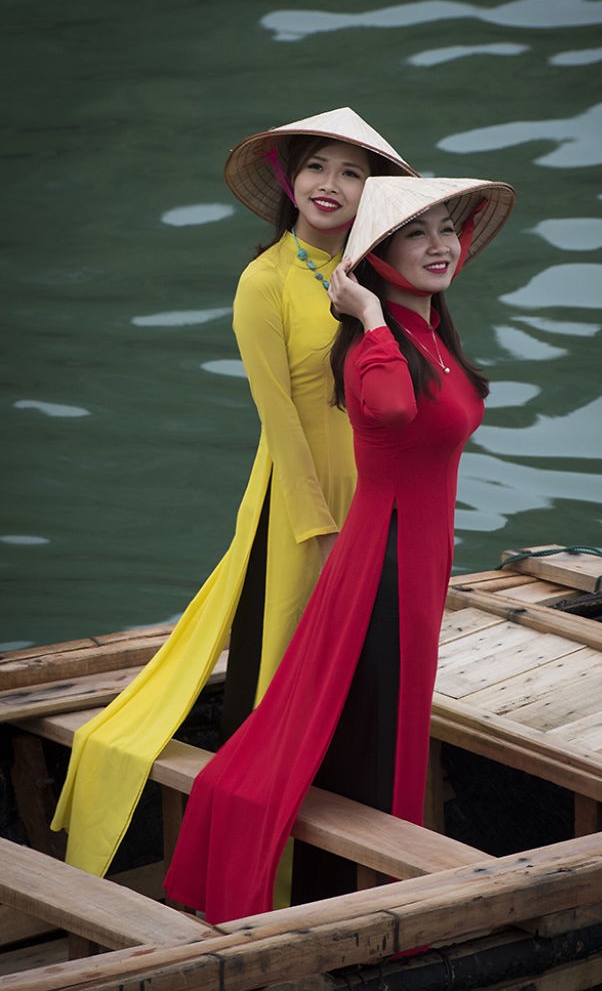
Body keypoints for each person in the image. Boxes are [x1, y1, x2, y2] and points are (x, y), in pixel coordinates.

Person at [51, 109, 418, 878]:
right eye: (317, 166)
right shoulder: (266, 280)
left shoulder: (374, 277)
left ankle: (350, 844)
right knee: (281, 664)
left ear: (372, 193)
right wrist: (317, 522)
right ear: (290, 179)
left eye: (353, 173)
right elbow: (278, 417)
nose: (331, 185)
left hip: (375, 487)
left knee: (362, 667)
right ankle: (258, 859)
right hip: (300, 496)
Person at [162, 174, 516, 923]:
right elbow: (387, 408)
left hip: (417, 558)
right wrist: (368, 313)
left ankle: (372, 897)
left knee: (391, 721)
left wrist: (394, 317)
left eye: (449, 229)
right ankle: (361, 910)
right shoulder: (373, 347)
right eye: (418, 234)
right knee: (376, 731)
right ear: (380, 256)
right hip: (384, 558)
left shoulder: (427, 333)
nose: (441, 245)